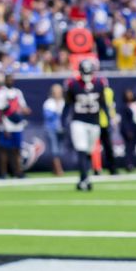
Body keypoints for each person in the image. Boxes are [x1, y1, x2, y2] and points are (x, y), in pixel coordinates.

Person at [63, 59, 105, 191]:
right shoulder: (74, 85)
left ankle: (83, 178)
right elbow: (68, 104)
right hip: (78, 121)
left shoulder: (99, 84)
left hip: (94, 122)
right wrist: (63, 120)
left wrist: (109, 118)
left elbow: (103, 103)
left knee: (88, 151)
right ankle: (85, 178)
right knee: (81, 150)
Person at [43, 83, 66, 177]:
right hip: (51, 129)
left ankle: (54, 169)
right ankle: (58, 169)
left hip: (62, 129)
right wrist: (57, 112)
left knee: (60, 150)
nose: (58, 94)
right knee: (54, 149)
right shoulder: (49, 103)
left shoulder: (64, 102)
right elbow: (48, 116)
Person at [119, 89, 136, 172]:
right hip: (129, 130)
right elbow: (124, 120)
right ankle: (129, 164)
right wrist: (128, 130)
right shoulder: (124, 106)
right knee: (129, 147)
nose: (130, 95)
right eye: (128, 94)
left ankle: (132, 163)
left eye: (131, 93)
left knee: (133, 147)